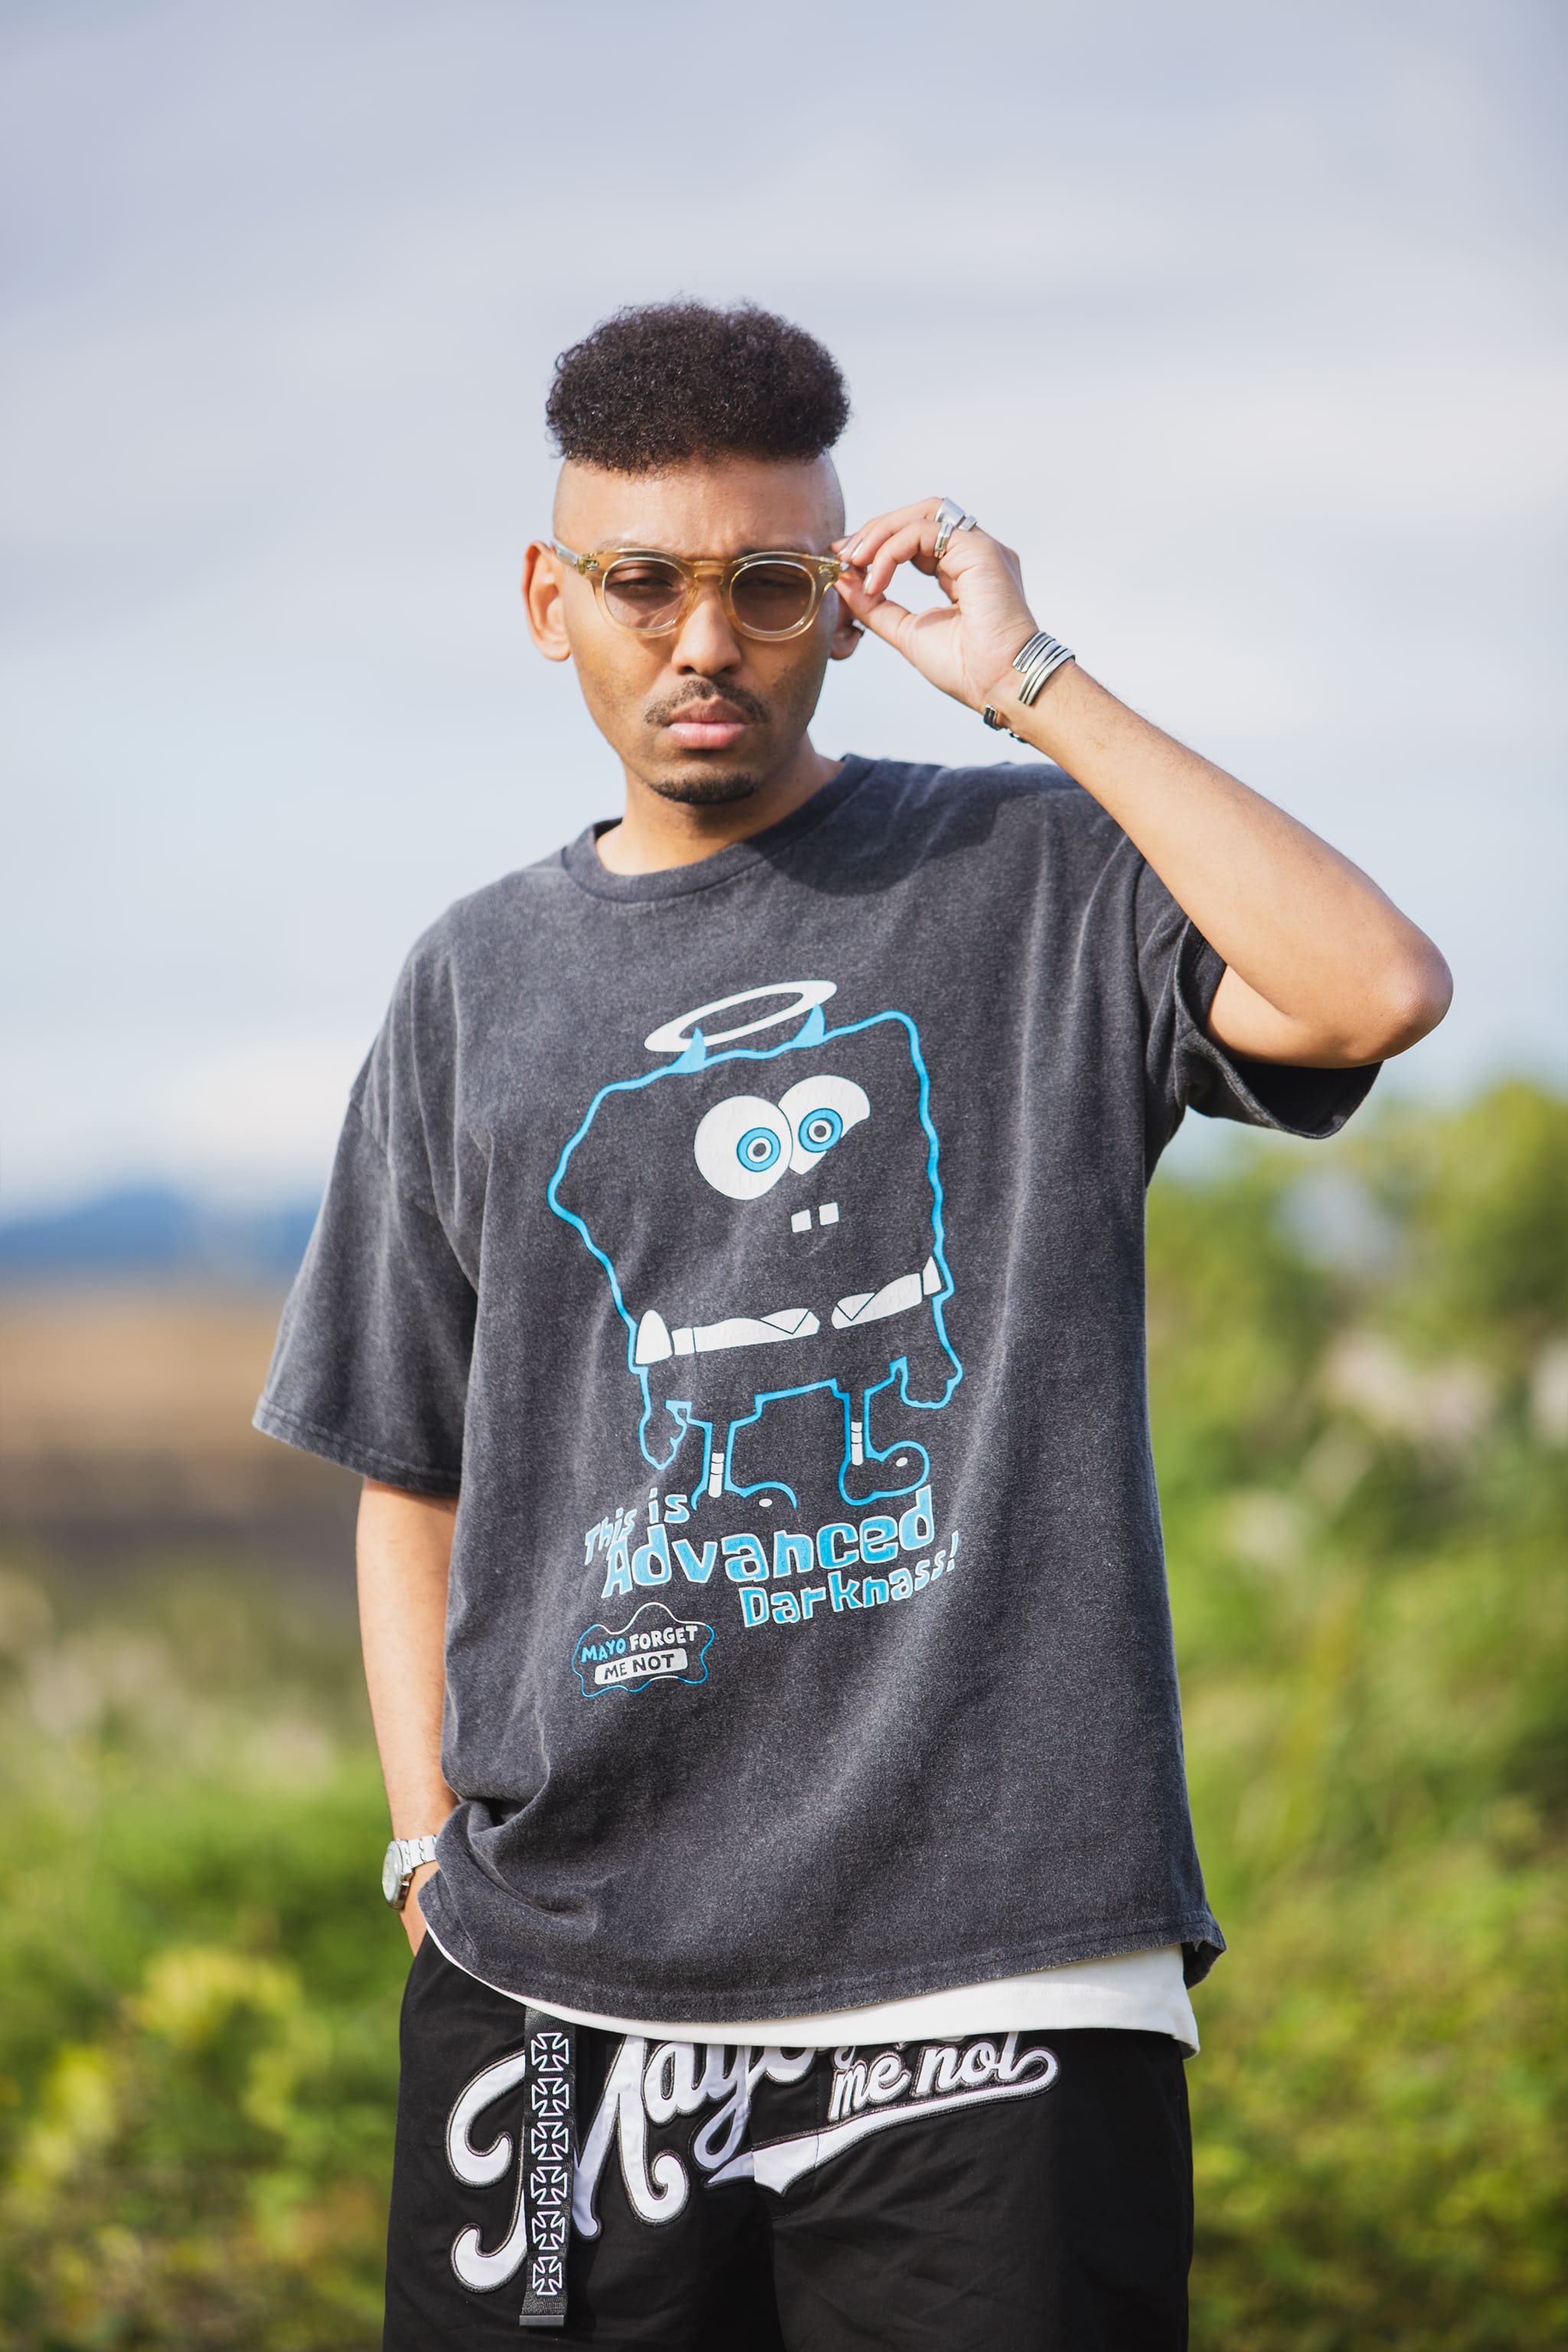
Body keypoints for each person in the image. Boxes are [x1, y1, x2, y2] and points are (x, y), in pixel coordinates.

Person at [255, 299, 1451, 2349]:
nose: (703, 640)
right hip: (559, 1989)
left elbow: (1371, 991)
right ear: (550, 600)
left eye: (768, 584)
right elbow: (412, 1468)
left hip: (1004, 1973)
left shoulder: (1032, 875)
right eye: (642, 582)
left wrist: (1030, 680)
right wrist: (427, 1851)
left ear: (840, 598)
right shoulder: (474, 984)